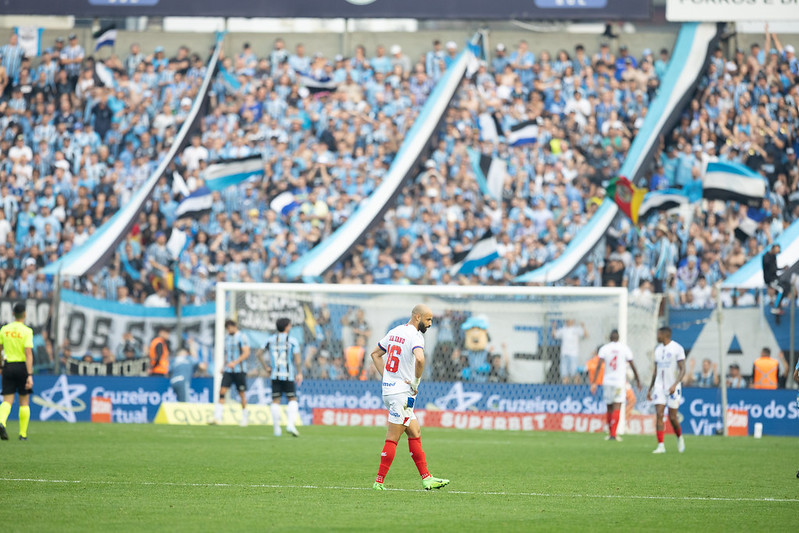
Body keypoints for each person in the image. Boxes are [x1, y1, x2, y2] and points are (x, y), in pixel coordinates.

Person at [369, 304, 449, 491]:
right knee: (392, 438)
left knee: (415, 432)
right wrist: (416, 382)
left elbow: (375, 354)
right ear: (418, 317)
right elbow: (420, 359)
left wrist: (387, 377)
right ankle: (378, 482)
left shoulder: (395, 331)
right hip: (402, 395)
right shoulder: (415, 336)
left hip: (390, 392)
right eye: (428, 320)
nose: (430, 324)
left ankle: (427, 478)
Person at [591, 330, 640, 441]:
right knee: (617, 406)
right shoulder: (624, 348)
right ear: (619, 337)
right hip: (619, 382)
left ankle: (610, 433)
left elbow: (599, 366)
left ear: (609, 337)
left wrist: (594, 382)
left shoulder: (604, 348)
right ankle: (613, 434)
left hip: (607, 381)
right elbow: (633, 365)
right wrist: (638, 380)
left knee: (609, 406)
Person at [647, 326, 686, 454]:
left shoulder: (677, 348)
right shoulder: (658, 350)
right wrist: (650, 388)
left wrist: (675, 384)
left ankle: (679, 437)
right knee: (659, 414)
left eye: (658, 334)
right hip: (659, 387)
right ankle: (661, 445)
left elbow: (683, 369)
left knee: (672, 417)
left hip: (673, 387)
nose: (657, 336)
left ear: (665, 334)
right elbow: (655, 371)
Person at [261, 317, 302, 437]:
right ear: (287, 327)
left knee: (275, 401)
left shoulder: (270, 340)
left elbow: (258, 353)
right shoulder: (293, 341)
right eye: (290, 325)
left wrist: (266, 367)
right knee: (292, 400)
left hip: (275, 375)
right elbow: (297, 360)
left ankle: (276, 429)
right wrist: (299, 372)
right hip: (288, 375)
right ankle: (290, 425)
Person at [0, 303, 34, 441]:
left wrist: (1, 367)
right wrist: (30, 375)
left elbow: (0, 350)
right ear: (24, 314)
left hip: (8, 366)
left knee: (7, 400)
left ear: (13, 314)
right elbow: (28, 353)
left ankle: (1, 421)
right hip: (22, 367)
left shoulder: (4, 330)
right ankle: (23, 434)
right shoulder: (27, 331)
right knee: (24, 402)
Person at [212, 320, 251, 426]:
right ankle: (217, 417)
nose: (229, 330)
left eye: (230, 327)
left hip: (239, 370)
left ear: (235, 326)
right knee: (222, 391)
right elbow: (227, 354)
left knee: (241, 394)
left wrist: (235, 362)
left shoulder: (242, 337)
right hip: (228, 370)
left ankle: (244, 417)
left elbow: (246, 352)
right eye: (227, 328)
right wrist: (223, 366)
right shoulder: (227, 338)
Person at [552, 319, 587, 384]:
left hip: (573, 354)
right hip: (564, 353)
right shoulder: (563, 330)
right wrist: (554, 327)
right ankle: (565, 388)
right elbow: (554, 335)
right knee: (564, 374)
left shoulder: (576, 329)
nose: (569, 321)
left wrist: (583, 326)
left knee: (574, 373)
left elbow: (585, 335)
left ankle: (577, 387)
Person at [762, 244, 790, 315]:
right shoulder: (766, 256)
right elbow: (768, 266)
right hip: (770, 280)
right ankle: (775, 307)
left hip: (775, 278)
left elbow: (774, 268)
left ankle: (779, 305)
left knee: (787, 286)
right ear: (772, 249)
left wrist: (783, 268)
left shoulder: (773, 257)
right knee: (781, 289)